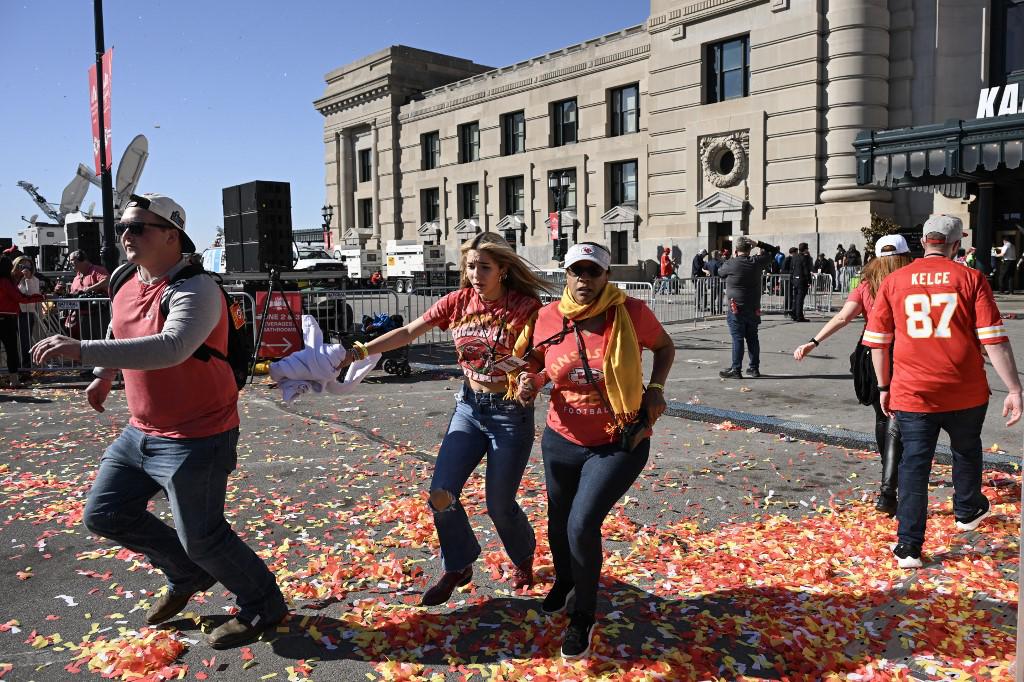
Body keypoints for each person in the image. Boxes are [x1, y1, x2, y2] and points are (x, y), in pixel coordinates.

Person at [31, 193, 288, 648]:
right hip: (140, 432)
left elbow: (172, 348)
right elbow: (119, 325)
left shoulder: (196, 288)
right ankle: (185, 573)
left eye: (138, 227)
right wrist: (102, 376)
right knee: (105, 513)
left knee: (204, 537)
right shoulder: (126, 278)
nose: (126, 235)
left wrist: (80, 349)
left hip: (198, 435)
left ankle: (263, 604)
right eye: (123, 228)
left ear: (171, 235)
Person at [342, 232, 549, 606]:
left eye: (484, 267)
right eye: (470, 266)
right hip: (469, 409)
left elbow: (538, 358)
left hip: (509, 414)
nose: (475, 274)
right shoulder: (457, 302)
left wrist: (526, 380)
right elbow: (408, 331)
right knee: (440, 494)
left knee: (499, 505)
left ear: (503, 269)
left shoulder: (525, 307)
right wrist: (361, 350)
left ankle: (522, 555)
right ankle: (459, 564)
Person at [513, 242, 675, 658]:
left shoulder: (631, 311)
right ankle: (566, 581)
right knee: (557, 521)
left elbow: (665, 347)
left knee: (581, 525)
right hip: (561, 439)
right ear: (565, 275)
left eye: (593, 272)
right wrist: (530, 382)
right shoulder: (547, 317)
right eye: (576, 272)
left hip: (618, 440)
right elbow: (533, 363)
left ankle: (583, 615)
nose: (584, 280)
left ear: (607, 276)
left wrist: (655, 388)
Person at [862, 215, 1022, 568]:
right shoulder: (971, 278)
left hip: (912, 389)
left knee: (914, 463)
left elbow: (878, 342)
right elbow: (993, 339)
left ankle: (909, 546)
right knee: (966, 449)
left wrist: (884, 386)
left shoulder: (894, 281)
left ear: (923, 242)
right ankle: (966, 508)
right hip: (964, 388)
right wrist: (1014, 388)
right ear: (955, 245)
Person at [793, 234, 914, 515]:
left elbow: (843, 317)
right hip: (907, 350)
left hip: (871, 350)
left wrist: (813, 342)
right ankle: (894, 482)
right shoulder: (910, 282)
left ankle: (889, 479)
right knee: (906, 417)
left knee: (882, 416)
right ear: (907, 256)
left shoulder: (866, 284)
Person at [717, 237, 780, 379]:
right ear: (750, 249)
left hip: (736, 308)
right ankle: (754, 368)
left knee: (738, 338)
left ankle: (736, 369)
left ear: (735, 250)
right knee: (752, 338)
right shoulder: (756, 262)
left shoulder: (731, 263)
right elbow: (775, 251)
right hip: (753, 307)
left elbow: (720, 272)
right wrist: (759, 243)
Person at [0, 256, 45, 388]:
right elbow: (20, 297)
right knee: (11, 350)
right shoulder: (5, 281)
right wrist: (42, 297)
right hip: (6, 318)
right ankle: (14, 380)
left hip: (7, 317)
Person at [62, 250, 110, 341]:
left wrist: (90, 289)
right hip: (80, 317)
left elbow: (107, 280)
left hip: (96, 316)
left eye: (71, 260)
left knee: (96, 343)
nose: (70, 263)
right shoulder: (77, 277)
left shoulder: (96, 270)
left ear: (80, 259)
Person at [13, 256, 42, 374]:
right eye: (22, 265)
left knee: (25, 342)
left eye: (28, 265)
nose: (25, 268)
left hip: (26, 314)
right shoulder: (12, 280)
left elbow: (33, 295)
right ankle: (15, 367)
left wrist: (28, 278)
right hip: (13, 313)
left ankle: (26, 368)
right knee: (13, 343)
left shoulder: (34, 279)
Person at [790, 243, 813, 322]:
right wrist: (809, 281)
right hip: (802, 280)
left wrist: (792, 278)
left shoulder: (794, 257)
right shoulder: (804, 258)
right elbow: (806, 270)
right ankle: (799, 316)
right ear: (805, 249)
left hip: (795, 279)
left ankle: (794, 314)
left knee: (795, 298)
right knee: (800, 299)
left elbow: (792, 269)